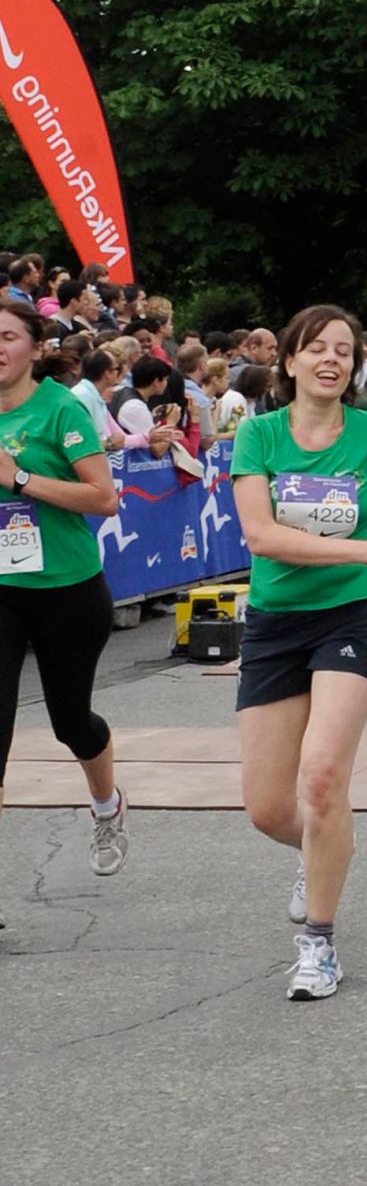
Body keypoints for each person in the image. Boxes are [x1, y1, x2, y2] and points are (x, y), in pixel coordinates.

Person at [231, 305, 367, 1000]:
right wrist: (365, 547)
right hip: (276, 622)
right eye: (316, 348)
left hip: (351, 615)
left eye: (343, 351)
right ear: (288, 362)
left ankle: (318, 943)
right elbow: (261, 537)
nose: (330, 359)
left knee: (320, 779)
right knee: (266, 807)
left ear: (354, 367)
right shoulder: (257, 435)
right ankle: (323, 849)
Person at [0, 300, 127, 922]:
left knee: (69, 722)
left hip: (65, 589)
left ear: (32, 345)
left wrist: (17, 478)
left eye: (6, 336)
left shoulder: (60, 408)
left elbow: (104, 498)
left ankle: (106, 806)